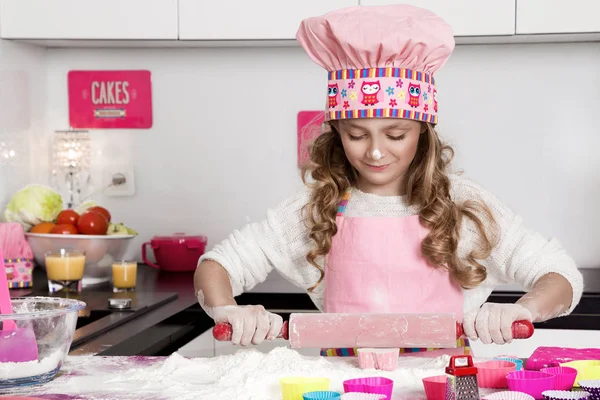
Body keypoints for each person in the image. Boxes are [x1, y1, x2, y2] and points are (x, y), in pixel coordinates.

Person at [194, 4, 583, 357]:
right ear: (337, 131)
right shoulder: (318, 207)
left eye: (395, 135)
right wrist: (229, 309)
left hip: (443, 386)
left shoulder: (463, 204)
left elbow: (561, 276)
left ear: (423, 130)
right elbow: (217, 265)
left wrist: (521, 308)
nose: (375, 152)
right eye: (357, 135)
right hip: (340, 387)